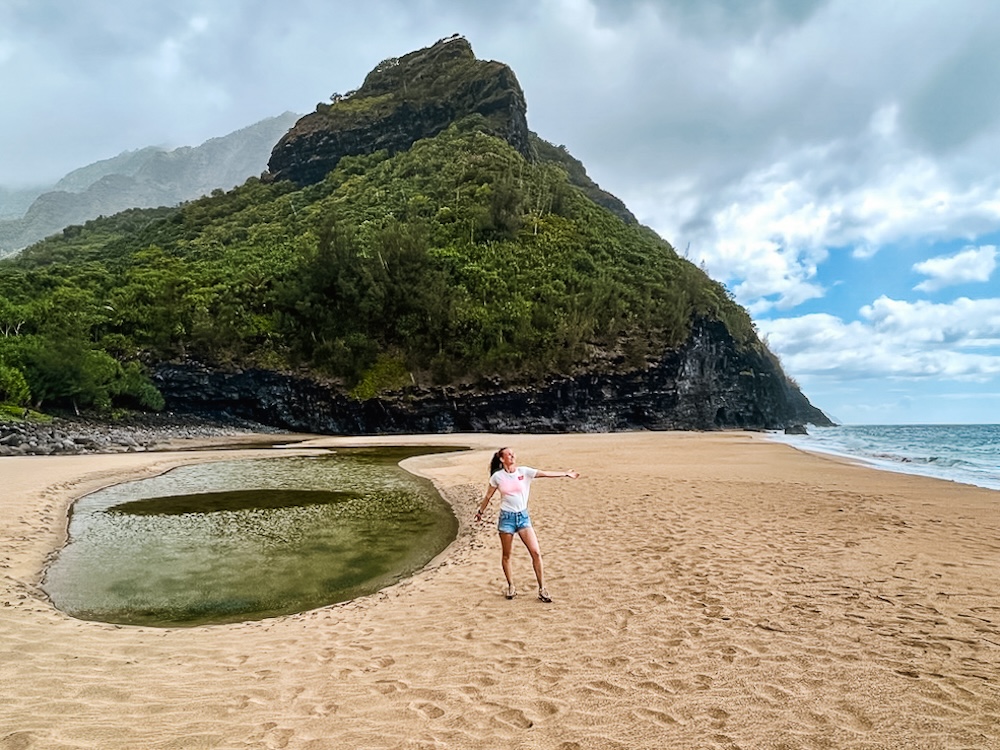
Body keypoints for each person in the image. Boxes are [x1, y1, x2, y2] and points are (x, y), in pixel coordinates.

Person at [474, 447, 579, 602]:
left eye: (513, 453)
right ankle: (511, 586)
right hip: (506, 519)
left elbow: (545, 473)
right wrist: (480, 512)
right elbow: (488, 496)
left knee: (535, 552)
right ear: (502, 459)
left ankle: (542, 589)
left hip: (523, 517)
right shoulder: (497, 477)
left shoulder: (524, 472)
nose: (512, 455)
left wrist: (565, 473)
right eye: (509, 454)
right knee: (507, 555)